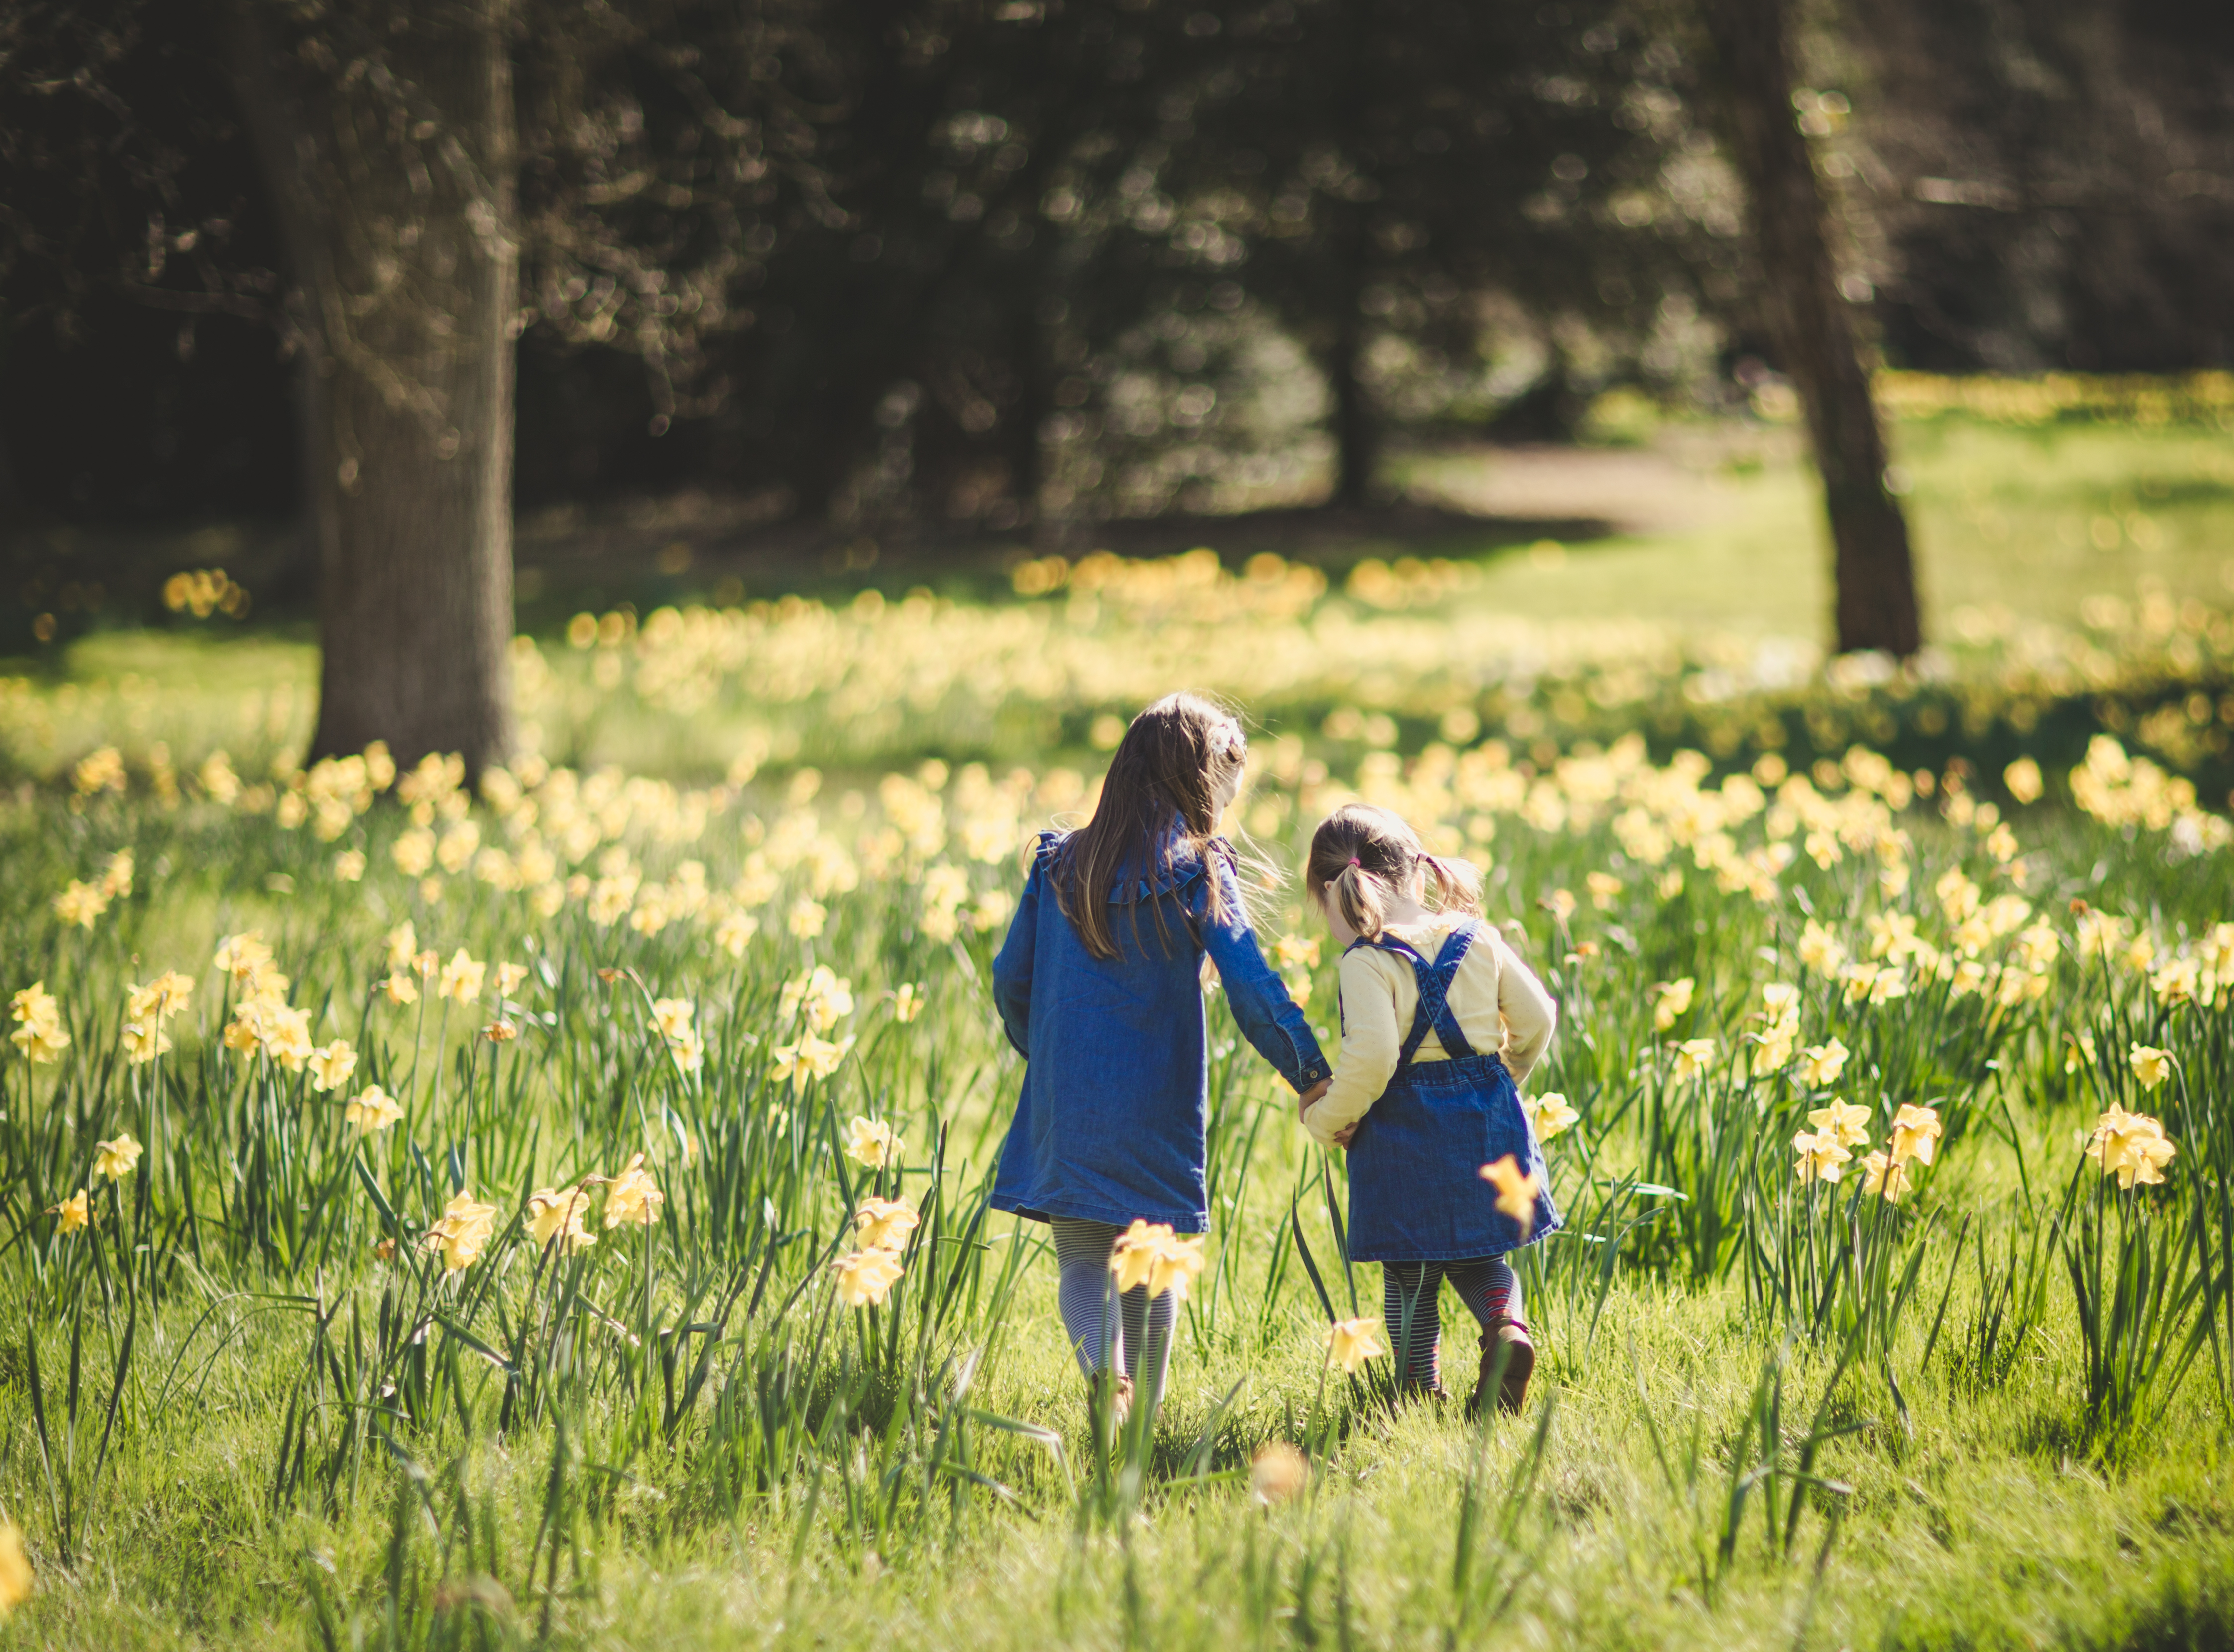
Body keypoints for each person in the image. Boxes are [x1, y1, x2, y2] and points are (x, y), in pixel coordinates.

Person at [991, 693, 1331, 1417]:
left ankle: (1102, 1376)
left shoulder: (1058, 862)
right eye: (1231, 768)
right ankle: (1143, 1417)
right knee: (1152, 1260)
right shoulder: (1198, 866)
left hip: (1070, 1100)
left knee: (1083, 1258)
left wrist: (1043, 1052)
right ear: (1202, 776)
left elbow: (1006, 978)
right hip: (1156, 1103)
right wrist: (1310, 1070)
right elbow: (1250, 986)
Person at [1298, 802, 1559, 1413]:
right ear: (1417, 874)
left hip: (1401, 1131)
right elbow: (1537, 1019)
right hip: (1486, 1121)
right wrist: (1501, 1080)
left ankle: (1418, 1390)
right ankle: (1505, 1330)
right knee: (1481, 1257)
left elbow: (1372, 1060)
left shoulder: (1367, 961)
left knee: (1408, 1273)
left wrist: (1327, 1117)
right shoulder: (1478, 938)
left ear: (1336, 894)